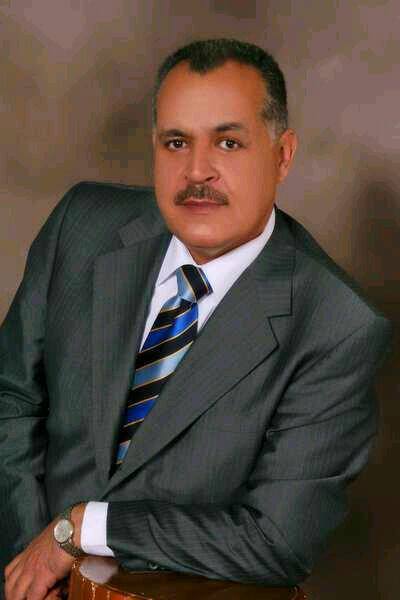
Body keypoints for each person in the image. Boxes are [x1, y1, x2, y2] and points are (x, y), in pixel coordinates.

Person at [0, 38, 391, 600]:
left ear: (283, 156)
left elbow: (277, 540)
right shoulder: (81, 226)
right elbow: (13, 400)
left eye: (228, 142)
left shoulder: (337, 325)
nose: (197, 170)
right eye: (176, 142)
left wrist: (80, 528)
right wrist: (29, 563)